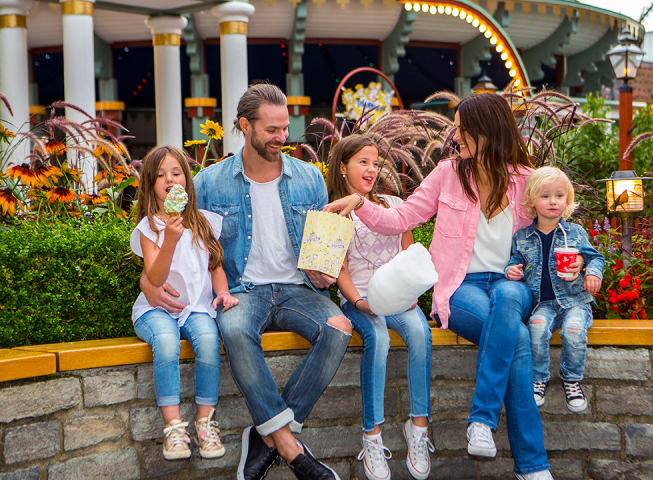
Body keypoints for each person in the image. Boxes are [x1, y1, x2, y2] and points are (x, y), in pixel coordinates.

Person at [325, 94, 584, 479]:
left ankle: (483, 422)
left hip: (510, 285)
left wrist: (578, 259)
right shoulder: (448, 173)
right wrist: (359, 204)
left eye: (462, 128)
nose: (454, 136)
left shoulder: (528, 181)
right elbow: (403, 217)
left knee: (512, 300)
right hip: (460, 288)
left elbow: (558, 228)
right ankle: (530, 465)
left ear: (486, 131)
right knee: (515, 342)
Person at [140, 83, 352, 480]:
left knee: (339, 327)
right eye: (272, 130)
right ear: (244, 125)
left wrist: (322, 271)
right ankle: (290, 448)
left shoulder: (310, 178)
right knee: (234, 331)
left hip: (298, 290)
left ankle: (268, 436)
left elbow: (324, 249)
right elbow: (182, 243)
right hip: (241, 292)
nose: (282, 138)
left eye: (285, 128)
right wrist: (148, 284)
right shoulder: (208, 182)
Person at [328, 135, 434, 480]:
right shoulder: (334, 209)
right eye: (363, 162)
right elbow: (338, 268)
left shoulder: (391, 203)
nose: (372, 169)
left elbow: (408, 248)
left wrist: (410, 286)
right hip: (359, 297)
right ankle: (372, 434)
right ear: (343, 167)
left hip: (398, 296)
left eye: (376, 163)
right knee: (380, 339)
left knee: (419, 332)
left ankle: (418, 426)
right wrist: (359, 301)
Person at [131, 145, 233, 461]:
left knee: (207, 340)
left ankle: (204, 421)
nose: (169, 180)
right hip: (155, 309)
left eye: (176, 173)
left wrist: (223, 292)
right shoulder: (149, 228)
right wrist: (170, 240)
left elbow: (215, 264)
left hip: (198, 307)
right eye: (160, 175)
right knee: (165, 342)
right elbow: (155, 277)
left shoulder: (203, 222)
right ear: (150, 185)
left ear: (187, 183)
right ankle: (173, 427)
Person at [505, 166, 604, 413]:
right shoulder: (523, 237)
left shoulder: (575, 233)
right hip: (543, 304)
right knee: (536, 330)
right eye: (545, 196)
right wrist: (511, 271)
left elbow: (596, 258)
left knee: (573, 331)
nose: (553, 202)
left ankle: (572, 380)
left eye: (559, 196)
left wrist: (592, 273)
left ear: (567, 200)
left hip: (575, 301)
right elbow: (513, 261)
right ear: (531, 201)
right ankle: (539, 380)